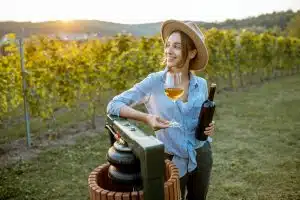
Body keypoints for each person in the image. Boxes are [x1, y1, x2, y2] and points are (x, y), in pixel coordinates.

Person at [107, 20, 215, 200]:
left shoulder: (201, 84)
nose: (169, 51)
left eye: (177, 46)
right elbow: (114, 105)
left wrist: (209, 126)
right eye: (168, 45)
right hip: (171, 159)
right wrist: (146, 117)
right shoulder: (154, 82)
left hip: (201, 153)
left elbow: (202, 115)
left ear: (192, 53)